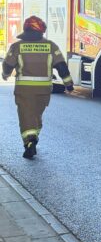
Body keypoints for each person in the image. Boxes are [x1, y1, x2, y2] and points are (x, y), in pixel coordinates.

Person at [2, 16, 74, 159]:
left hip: (24, 90)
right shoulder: (51, 46)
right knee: (36, 117)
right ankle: (33, 137)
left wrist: (5, 74)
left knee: (25, 117)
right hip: (44, 91)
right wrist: (68, 84)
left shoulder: (17, 46)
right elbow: (62, 67)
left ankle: (30, 141)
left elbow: (7, 65)